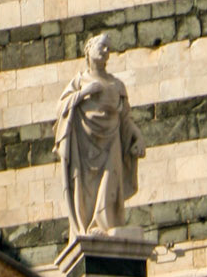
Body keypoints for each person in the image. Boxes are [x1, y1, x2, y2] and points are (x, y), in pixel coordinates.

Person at [55, 32, 146, 238]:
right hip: (85, 146)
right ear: (89, 50)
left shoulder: (117, 85)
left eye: (108, 48)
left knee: (111, 183)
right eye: (102, 47)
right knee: (86, 190)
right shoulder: (79, 81)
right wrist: (84, 93)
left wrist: (138, 137)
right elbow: (60, 108)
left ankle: (105, 224)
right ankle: (87, 227)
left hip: (112, 140)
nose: (106, 51)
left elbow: (125, 119)